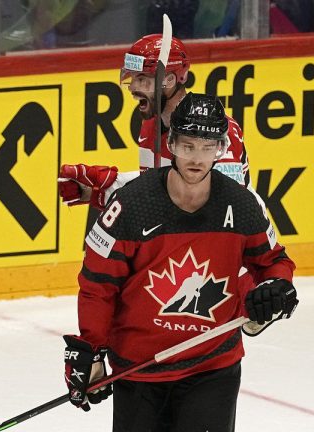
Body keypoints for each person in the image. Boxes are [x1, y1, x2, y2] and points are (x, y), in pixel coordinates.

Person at [62, 93, 298, 432]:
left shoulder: (243, 206)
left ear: (221, 148)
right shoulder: (130, 207)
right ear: (170, 143)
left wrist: (277, 287)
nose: (197, 158)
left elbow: (274, 261)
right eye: (188, 146)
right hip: (138, 368)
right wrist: (91, 347)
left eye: (207, 147)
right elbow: (97, 285)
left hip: (212, 366)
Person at [59, 33, 250, 210]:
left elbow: (225, 207)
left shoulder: (213, 128)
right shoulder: (151, 125)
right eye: (132, 78)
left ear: (169, 80)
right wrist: (97, 191)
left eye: (142, 79)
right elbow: (159, 186)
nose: (132, 88)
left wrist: (110, 190)